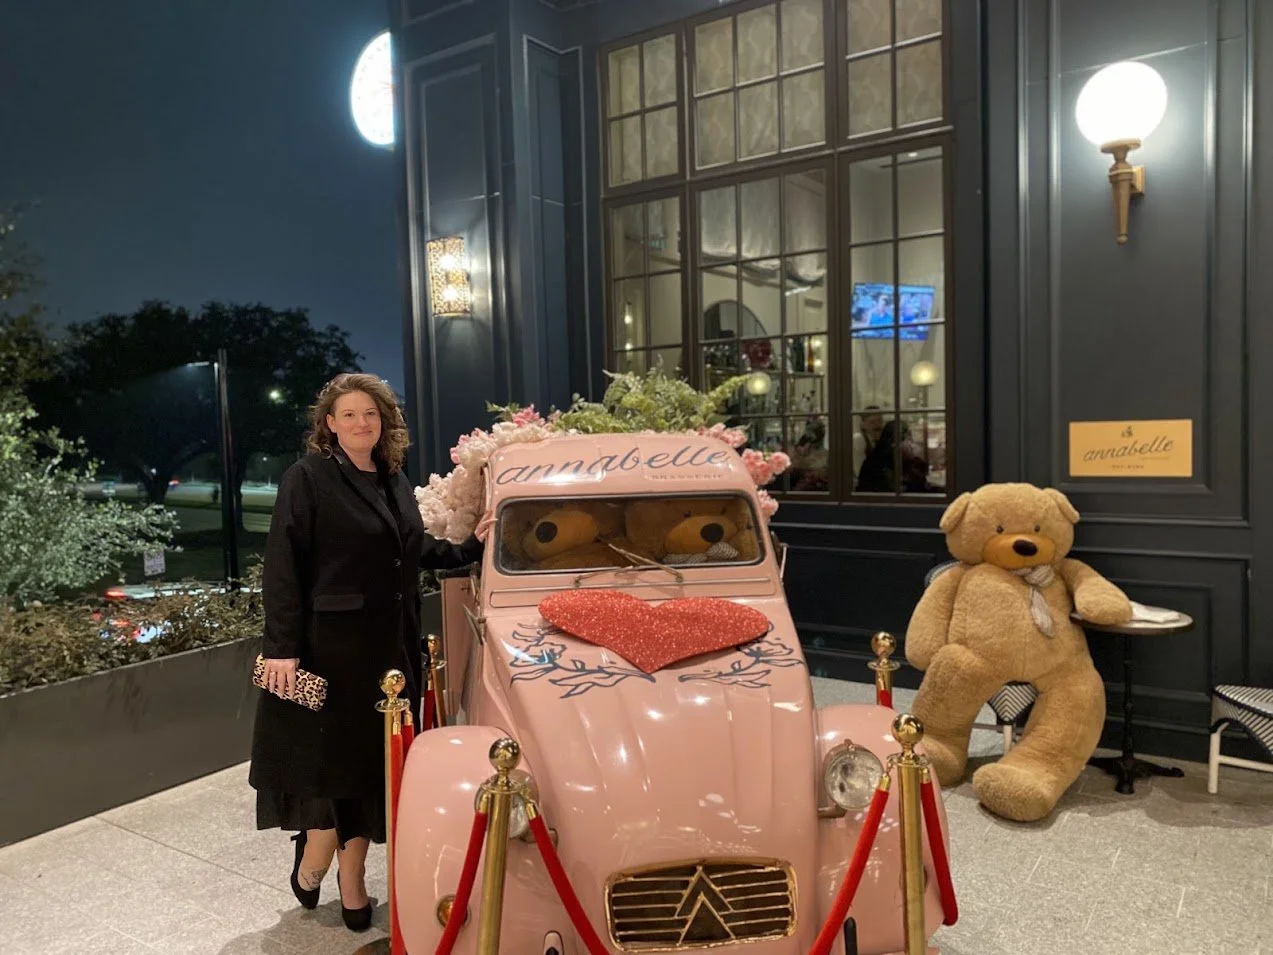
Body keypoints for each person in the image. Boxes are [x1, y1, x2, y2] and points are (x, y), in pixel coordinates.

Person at [248, 373, 486, 932]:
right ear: (329, 424)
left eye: (371, 415)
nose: (362, 423)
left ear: (384, 424)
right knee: (336, 767)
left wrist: (475, 545)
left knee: (372, 769)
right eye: (349, 415)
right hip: (329, 652)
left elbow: (412, 548)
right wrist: (281, 647)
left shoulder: (391, 478)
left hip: (389, 652)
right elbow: (283, 566)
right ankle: (318, 861)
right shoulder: (306, 479)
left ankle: (346, 874)